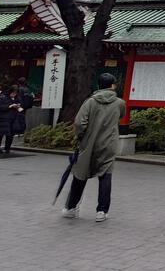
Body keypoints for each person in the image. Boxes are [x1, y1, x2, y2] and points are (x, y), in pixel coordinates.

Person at [62, 73, 127, 223]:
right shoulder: (119, 103)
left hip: (89, 143)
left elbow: (79, 123)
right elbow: (121, 116)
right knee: (105, 176)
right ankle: (102, 211)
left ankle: (71, 207)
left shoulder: (90, 102)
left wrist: (81, 136)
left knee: (80, 174)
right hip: (109, 143)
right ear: (112, 85)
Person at [0, 85, 23, 153]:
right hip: (2, 119)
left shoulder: (17, 98)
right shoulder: (3, 97)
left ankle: (7, 148)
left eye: (15, 93)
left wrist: (18, 107)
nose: (14, 94)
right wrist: (9, 106)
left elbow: (21, 105)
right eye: (13, 93)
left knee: (10, 134)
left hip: (13, 119)